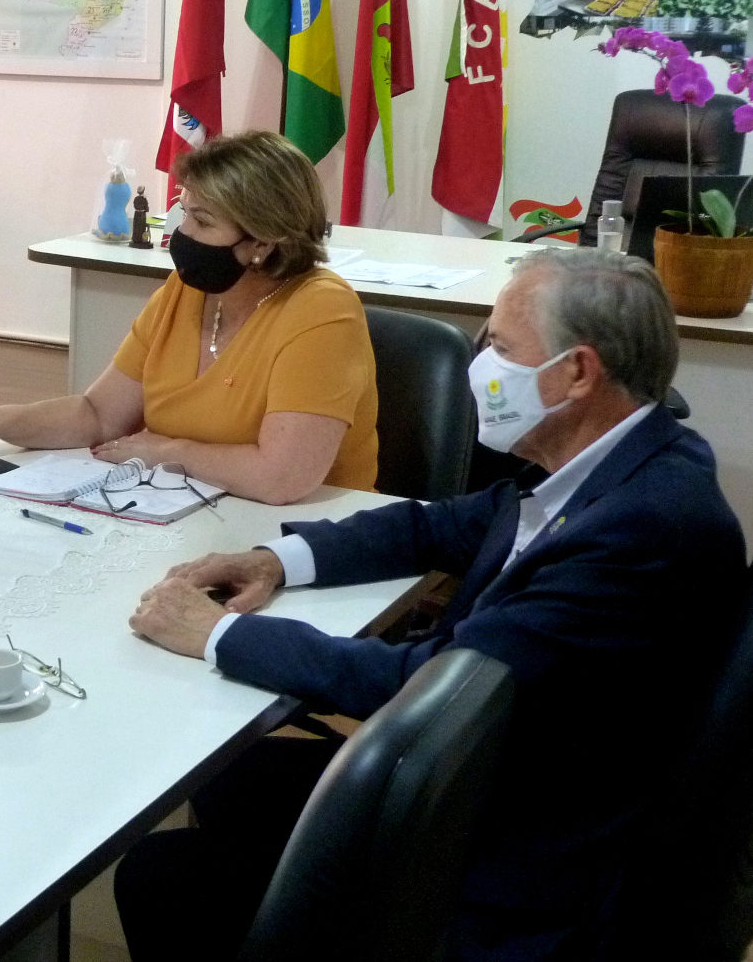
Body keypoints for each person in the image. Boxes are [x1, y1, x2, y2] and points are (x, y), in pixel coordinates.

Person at [120, 247, 746, 960]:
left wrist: (217, 634)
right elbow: (433, 524)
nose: (481, 362)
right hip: (513, 776)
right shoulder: (620, 463)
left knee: (162, 877)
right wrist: (273, 559)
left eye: (501, 347)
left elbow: (429, 689)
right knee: (239, 779)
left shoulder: (642, 529)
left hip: (517, 855)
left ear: (577, 372)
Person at [0, 130, 378, 503]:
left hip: (304, 534)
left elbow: (283, 477)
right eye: (183, 212)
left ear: (264, 242)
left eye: (202, 221)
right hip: (186, 505)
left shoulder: (321, 310)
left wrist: (168, 451)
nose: (179, 234)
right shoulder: (183, 292)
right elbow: (97, 415)